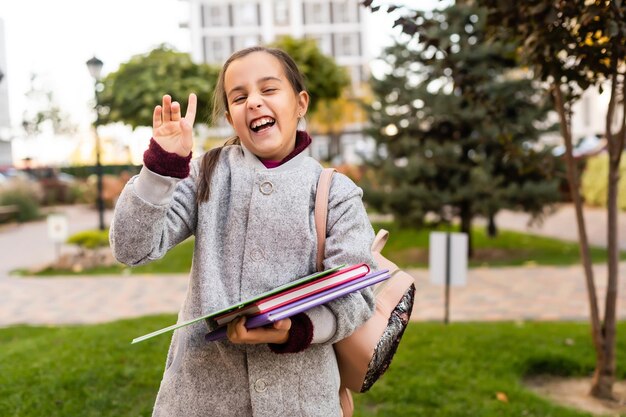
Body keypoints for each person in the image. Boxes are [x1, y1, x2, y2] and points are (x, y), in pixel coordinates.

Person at [110, 46, 376, 417]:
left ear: (300, 103)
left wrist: (294, 329)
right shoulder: (207, 172)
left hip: (300, 403)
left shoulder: (336, 192)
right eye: (239, 97)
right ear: (231, 118)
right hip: (199, 398)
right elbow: (131, 247)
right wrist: (161, 168)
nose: (254, 102)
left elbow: (357, 298)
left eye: (269, 90)